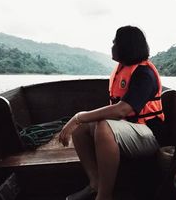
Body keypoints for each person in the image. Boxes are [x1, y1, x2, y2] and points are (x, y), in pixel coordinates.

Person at [59, 25, 165, 200]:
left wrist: (77, 117)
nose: (112, 44)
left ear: (125, 46)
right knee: (83, 127)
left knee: (103, 126)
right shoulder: (123, 70)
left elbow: (122, 110)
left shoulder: (144, 74)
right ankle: (95, 183)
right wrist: (80, 121)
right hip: (129, 130)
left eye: (115, 41)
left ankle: (104, 196)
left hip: (149, 136)